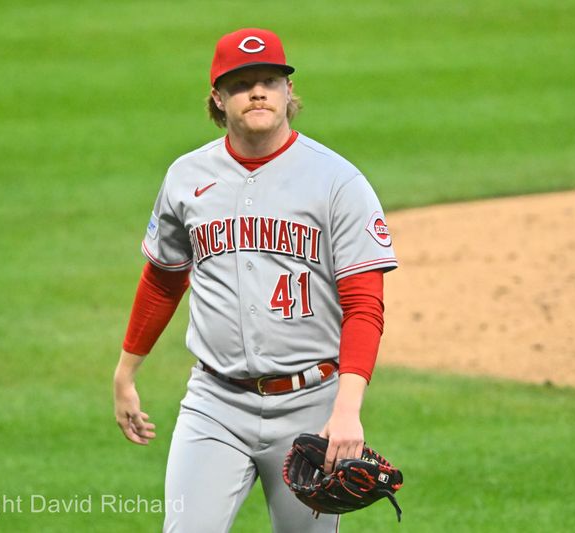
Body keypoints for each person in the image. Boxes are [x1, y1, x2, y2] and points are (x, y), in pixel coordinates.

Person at [113, 27, 397, 532]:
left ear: (290, 92)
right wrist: (126, 370)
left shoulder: (338, 182)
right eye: (242, 83)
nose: (258, 91)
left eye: (270, 79)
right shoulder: (185, 177)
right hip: (214, 403)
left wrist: (347, 411)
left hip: (311, 408)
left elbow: (364, 306)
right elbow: (163, 279)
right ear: (218, 99)